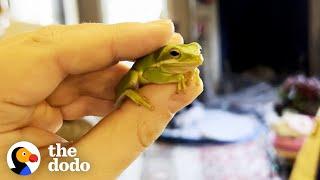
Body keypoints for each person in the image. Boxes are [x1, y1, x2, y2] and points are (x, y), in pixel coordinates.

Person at [0, 19, 203, 179]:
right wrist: (132, 92)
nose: (197, 58)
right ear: (167, 57)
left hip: (165, 73)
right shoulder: (155, 67)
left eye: (198, 51)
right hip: (143, 75)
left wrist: (188, 74)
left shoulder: (180, 66)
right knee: (132, 77)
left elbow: (187, 67)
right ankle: (129, 91)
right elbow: (142, 73)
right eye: (176, 54)